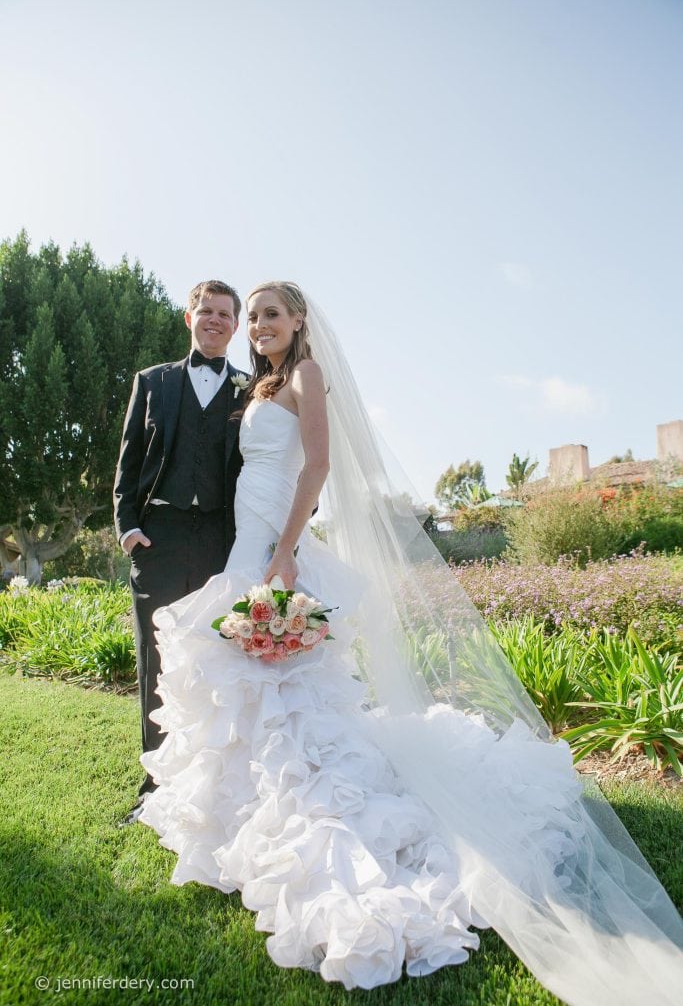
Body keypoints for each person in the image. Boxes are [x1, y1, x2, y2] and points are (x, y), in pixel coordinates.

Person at [138, 282, 683, 1003]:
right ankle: (249, 814)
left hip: (273, 546)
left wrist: (284, 552)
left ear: (298, 321)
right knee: (253, 684)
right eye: (257, 317)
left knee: (281, 686)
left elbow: (320, 467)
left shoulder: (304, 374)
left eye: (272, 314)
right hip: (247, 539)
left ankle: (302, 810)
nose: (261, 325)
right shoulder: (263, 383)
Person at [113, 279, 248, 822]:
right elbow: (128, 461)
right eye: (205, 311)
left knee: (221, 662)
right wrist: (128, 528)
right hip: (161, 537)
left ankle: (216, 784)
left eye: (224, 313)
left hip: (223, 541)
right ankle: (154, 785)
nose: (214, 319)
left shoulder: (249, 388)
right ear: (188, 318)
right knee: (157, 660)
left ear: (236, 326)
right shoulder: (154, 381)